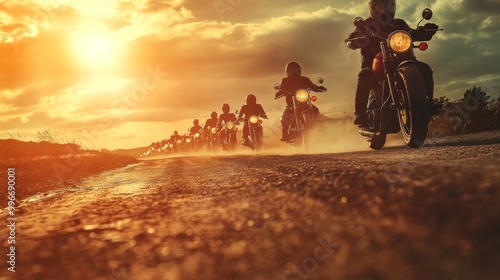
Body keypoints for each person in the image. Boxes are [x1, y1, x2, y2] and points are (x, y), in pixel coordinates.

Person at [345, 0, 440, 127]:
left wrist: (425, 30)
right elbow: (353, 37)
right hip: (374, 66)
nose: (384, 9)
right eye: (380, 6)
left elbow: (410, 33)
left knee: (424, 68)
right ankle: (360, 113)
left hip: (400, 61)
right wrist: (353, 40)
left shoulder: (398, 23)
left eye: (387, 5)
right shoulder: (366, 25)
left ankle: (428, 104)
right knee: (364, 75)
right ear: (373, 8)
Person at [276, 61, 326, 141]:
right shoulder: (285, 81)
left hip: (305, 103)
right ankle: (285, 134)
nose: (294, 72)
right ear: (287, 71)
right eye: (291, 70)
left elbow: (312, 86)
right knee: (284, 118)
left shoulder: (304, 79)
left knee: (315, 110)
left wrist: (318, 88)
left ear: (299, 70)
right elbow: (281, 89)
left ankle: (317, 128)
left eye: (295, 70)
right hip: (291, 105)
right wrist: (279, 93)